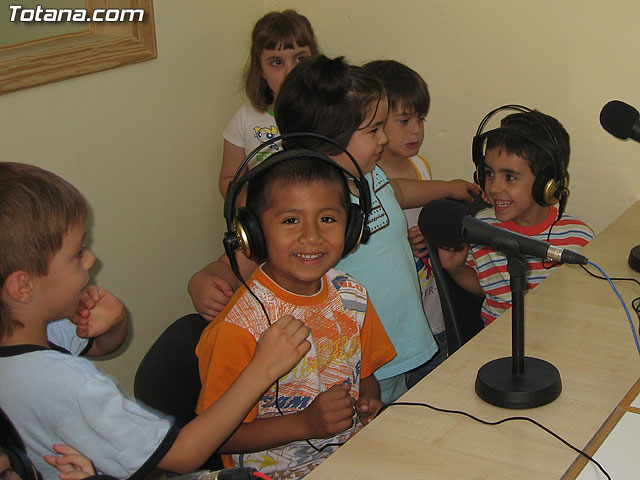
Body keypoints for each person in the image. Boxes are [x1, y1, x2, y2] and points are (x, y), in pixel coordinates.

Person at [189, 55, 481, 403]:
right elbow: (247, 255)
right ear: (331, 137)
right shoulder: (312, 208)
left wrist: (448, 187)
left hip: (404, 344)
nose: (383, 139)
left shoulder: (369, 173)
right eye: (373, 130)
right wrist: (205, 278)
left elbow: (397, 192)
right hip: (359, 366)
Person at [0, 162, 311, 480]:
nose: (91, 259)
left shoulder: (30, 331)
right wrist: (262, 369)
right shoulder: (69, 385)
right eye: (77, 254)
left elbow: (98, 345)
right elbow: (182, 456)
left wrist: (115, 324)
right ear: (23, 287)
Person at [196, 156, 396, 479]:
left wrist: (367, 403)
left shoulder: (352, 296)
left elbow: (366, 376)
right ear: (252, 233)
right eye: (291, 220)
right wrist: (304, 424)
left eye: (328, 219)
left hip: (349, 458)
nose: (312, 236)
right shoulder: (239, 327)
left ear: (352, 228)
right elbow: (217, 437)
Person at [438, 108, 594, 325]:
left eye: (510, 177)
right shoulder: (480, 228)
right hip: (497, 340)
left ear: (548, 185)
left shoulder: (578, 238)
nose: (494, 187)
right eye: (489, 173)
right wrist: (456, 269)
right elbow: (486, 288)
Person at [362, 59, 447, 385]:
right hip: (395, 322)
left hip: (432, 308)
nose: (416, 130)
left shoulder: (421, 166)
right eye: (404, 120)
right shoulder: (369, 179)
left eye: (420, 119)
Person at [218, 9, 320, 197]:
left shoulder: (330, 112)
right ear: (261, 71)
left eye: (300, 59)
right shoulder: (245, 118)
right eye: (276, 62)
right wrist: (251, 208)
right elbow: (229, 179)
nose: (290, 72)